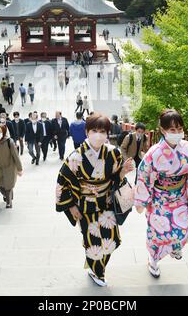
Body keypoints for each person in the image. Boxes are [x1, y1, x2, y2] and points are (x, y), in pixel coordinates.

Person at [56, 113, 135, 287]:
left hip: (106, 203)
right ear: (87, 132)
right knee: (93, 243)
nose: (98, 134)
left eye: (102, 131)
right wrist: (70, 207)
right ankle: (96, 271)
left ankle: (94, 264)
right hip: (86, 206)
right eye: (94, 130)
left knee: (112, 240)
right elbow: (63, 182)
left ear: (107, 133)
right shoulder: (75, 157)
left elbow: (115, 178)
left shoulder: (113, 153)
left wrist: (123, 172)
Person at [133, 109, 188, 279]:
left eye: (180, 129)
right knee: (157, 233)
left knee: (181, 229)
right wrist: (143, 200)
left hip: (181, 197)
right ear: (163, 130)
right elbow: (144, 175)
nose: (177, 133)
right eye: (172, 130)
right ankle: (153, 259)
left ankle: (175, 248)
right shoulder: (154, 152)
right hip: (159, 200)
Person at [0, 124, 23, 209]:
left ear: (3, 132)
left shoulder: (9, 141)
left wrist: (19, 169)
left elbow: (16, 156)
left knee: (8, 184)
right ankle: (6, 195)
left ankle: (9, 202)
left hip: (9, 165)